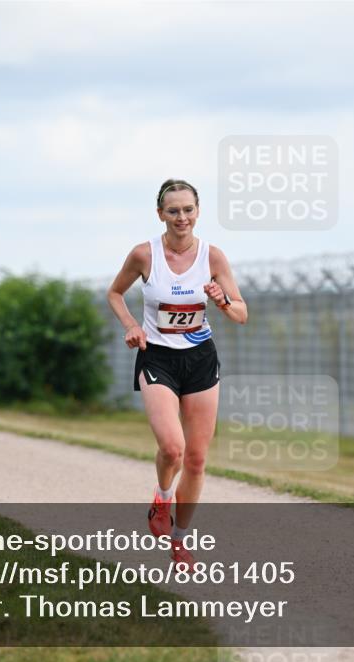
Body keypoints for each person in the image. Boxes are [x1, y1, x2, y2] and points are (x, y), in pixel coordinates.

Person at [106, 179, 248, 569]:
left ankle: (181, 541)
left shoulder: (213, 257)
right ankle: (162, 496)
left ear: (198, 212)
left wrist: (221, 302)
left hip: (201, 359)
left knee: (198, 459)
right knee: (173, 448)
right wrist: (132, 325)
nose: (181, 217)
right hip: (158, 358)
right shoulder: (144, 254)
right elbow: (114, 293)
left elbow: (241, 313)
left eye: (188, 209)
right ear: (160, 214)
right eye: (173, 211)